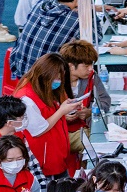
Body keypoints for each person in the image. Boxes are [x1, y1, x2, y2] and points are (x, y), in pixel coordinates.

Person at [14, 52, 81, 182]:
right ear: (44, 75)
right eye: (56, 78)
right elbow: (38, 129)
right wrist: (61, 111)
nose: (58, 82)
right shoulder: (26, 98)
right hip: (44, 164)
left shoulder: (43, 89)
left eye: (61, 78)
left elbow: (48, 114)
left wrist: (65, 112)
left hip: (57, 157)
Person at [9, 0, 84, 78]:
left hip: (19, 69)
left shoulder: (41, 5)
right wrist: (89, 11)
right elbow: (95, 38)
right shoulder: (75, 19)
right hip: (45, 77)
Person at [59, 39, 112, 154]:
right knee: (93, 143)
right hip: (60, 132)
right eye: (86, 66)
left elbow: (105, 101)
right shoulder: (55, 82)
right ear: (71, 66)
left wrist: (90, 111)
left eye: (91, 65)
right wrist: (61, 116)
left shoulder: (91, 77)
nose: (91, 69)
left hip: (82, 127)